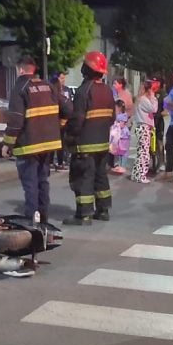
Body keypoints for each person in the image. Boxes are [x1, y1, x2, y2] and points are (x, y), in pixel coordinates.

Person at [2, 54, 67, 224]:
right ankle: (43, 216)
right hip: (49, 144)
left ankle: (31, 217)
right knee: (43, 181)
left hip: (29, 145)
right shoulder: (48, 86)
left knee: (30, 183)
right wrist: (58, 125)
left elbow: (16, 119)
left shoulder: (20, 87)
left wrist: (8, 143)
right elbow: (68, 108)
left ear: (20, 69)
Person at [64, 51, 115, 225]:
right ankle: (103, 210)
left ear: (87, 69)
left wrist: (69, 136)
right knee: (101, 177)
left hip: (85, 146)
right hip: (102, 144)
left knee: (83, 178)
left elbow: (77, 119)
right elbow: (112, 118)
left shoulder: (83, 91)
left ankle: (84, 215)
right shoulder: (108, 91)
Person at [131, 78, 157, 184]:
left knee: (141, 152)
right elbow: (153, 109)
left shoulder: (140, 99)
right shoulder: (144, 100)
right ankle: (140, 175)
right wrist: (153, 97)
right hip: (144, 127)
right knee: (144, 153)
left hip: (141, 127)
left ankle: (136, 174)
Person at [50, 71, 72, 171]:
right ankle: (51, 161)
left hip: (61, 122)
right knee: (53, 142)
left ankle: (60, 161)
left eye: (64, 78)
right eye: (61, 78)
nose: (63, 80)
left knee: (61, 142)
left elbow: (68, 106)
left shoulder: (66, 90)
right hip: (55, 121)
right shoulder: (53, 93)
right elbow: (68, 108)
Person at [108, 99, 130, 174]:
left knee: (122, 151)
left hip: (122, 135)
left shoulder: (120, 116)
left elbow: (121, 125)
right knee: (120, 151)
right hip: (121, 135)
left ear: (119, 107)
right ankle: (120, 166)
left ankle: (122, 166)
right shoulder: (123, 115)